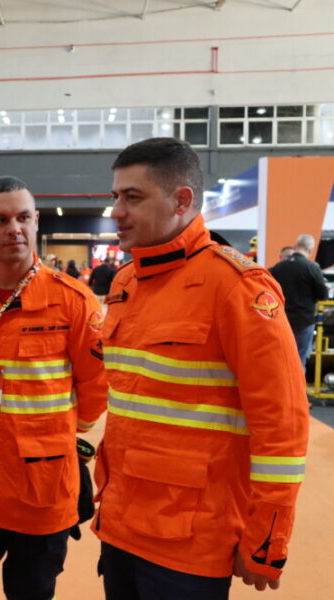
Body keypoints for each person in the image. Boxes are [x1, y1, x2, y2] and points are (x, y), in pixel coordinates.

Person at [95, 138, 309, 599]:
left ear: (182, 200)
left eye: (132, 197)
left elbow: (283, 426)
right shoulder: (125, 282)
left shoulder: (235, 287)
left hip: (191, 540)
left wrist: (267, 538)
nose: (116, 211)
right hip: (120, 523)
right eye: (115, 196)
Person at [0, 176, 107, 600]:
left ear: (35, 223)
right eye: (0, 219)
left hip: (43, 487)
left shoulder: (73, 300)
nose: (14, 228)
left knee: (31, 590)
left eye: (23, 217)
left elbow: (95, 383)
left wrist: (67, 429)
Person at [270, 234, 329, 372]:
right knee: (299, 361)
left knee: (280, 359)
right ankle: (297, 392)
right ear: (310, 249)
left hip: (281, 320)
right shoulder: (311, 267)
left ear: (295, 246)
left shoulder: (278, 267)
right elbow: (323, 294)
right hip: (304, 321)